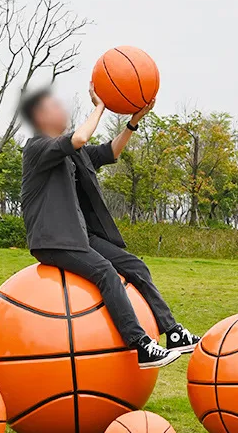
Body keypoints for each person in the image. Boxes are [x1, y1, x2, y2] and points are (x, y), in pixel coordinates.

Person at [19, 82, 201, 368]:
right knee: (105, 272)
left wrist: (133, 123)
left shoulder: (72, 154)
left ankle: (173, 332)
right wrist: (100, 108)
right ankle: (140, 345)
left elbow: (110, 152)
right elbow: (78, 138)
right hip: (53, 240)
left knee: (135, 266)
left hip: (79, 236)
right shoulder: (38, 147)